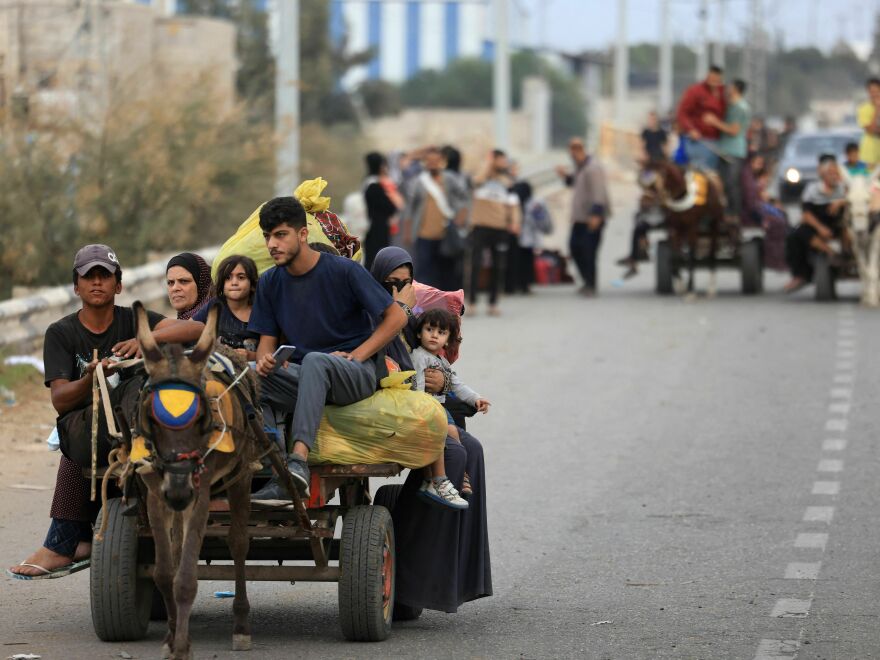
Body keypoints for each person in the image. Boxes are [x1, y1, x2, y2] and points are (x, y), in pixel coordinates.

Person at [8, 245, 204, 578]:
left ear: (118, 285)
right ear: (76, 286)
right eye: (89, 277)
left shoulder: (133, 319)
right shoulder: (61, 333)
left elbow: (196, 330)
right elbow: (60, 400)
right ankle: (62, 543)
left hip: (137, 424)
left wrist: (145, 340)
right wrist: (90, 378)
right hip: (87, 427)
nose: (97, 283)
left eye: (105, 276)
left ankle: (74, 539)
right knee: (82, 438)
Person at [246, 196, 408, 500]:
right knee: (248, 376)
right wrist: (266, 360)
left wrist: (359, 354)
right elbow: (266, 343)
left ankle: (298, 462)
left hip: (355, 374)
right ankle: (275, 469)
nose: (272, 244)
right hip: (306, 377)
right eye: (267, 237)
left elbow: (396, 316)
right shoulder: (269, 282)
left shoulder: (344, 271)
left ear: (302, 234)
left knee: (316, 362)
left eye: (280, 235)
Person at [369, 246, 492, 614]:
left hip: (420, 407)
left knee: (473, 450)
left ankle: (455, 579)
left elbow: (435, 375)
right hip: (383, 408)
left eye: (404, 283)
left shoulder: (412, 322)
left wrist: (448, 392)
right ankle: (410, 579)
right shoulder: (370, 312)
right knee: (453, 453)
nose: (396, 290)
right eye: (389, 283)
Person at [412, 308, 490, 503]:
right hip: (426, 407)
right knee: (450, 434)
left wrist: (475, 398)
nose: (434, 335)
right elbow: (418, 384)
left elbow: (457, 385)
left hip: (438, 407)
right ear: (419, 333)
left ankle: (435, 480)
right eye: (430, 329)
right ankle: (442, 479)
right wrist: (422, 407)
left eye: (441, 332)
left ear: (447, 340)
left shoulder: (442, 361)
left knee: (454, 435)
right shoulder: (418, 356)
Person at [401, 147, 470, 291]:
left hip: (446, 235)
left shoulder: (449, 179)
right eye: (429, 161)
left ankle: (449, 306)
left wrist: (461, 218)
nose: (433, 164)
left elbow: (464, 197)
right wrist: (407, 232)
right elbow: (409, 209)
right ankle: (426, 307)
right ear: (425, 163)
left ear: (442, 162)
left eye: (436, 161)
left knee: (448, 273)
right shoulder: (418, 182)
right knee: (425, 273)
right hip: (423, 234)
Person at [556, 138, 611, 296]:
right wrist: (564, 176)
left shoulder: (593, 168)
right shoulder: (581, 167)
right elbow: (574, 182)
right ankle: (587, 280)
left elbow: (599, 192)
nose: (573, 152)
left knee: (589, 251)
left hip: (592, 217)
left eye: (577, 148)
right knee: (575, 248)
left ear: (582, 149)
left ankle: (591, 284)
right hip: (580, 218)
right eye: (571, 149)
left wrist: (596, 214)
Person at [784, 157, 847, 293]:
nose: (834, 176)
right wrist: (820, 228)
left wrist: (841, 202)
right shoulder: (812, 189)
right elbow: (806, 214)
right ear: (823, 175)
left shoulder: (844, 189)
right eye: (831, 173)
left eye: (836, 173)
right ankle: (802, 274)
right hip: (817, 225)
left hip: (839, 225)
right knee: (794, 236)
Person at [469, 149, 520, 315]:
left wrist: (514, 222)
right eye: (501, 160)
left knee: (498, 266)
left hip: (499, 228)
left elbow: (513, 204)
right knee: (475, 264)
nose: (504, 164)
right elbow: (475, 182)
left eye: (505, 161)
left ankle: (493, 303)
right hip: (480, 227)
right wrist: (488, 164)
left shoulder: (507, 181)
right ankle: (472, 302)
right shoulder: (481, 176)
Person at [192, 255, 260, 361]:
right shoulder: (215, 305)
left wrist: (251, 356)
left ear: (252, 284)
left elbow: (271, 353)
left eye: (241, 277)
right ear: (222, 284)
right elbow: (190, 326)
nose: (234, 282)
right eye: (228, 278)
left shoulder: (261, 310)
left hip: (251, 370)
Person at [704, 79, 751, 224]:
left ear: (736, 89)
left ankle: (734, 214)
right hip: (724, 151)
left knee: (732, 183)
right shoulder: (730, 106)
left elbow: (734, 130)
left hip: (734, 151)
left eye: (730, 86)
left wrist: (713, 122)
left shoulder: (739, 107)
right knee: (720, 182)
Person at [676, 65, 726, 170]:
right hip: (699, 141)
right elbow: (682, 113)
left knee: (712, 175)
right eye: (712, 78)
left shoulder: (722, 93)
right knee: (700, 172)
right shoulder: (695, 91)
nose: (714, 82)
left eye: (717, 80)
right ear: (708, 76)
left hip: (716, 142)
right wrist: (691, 129)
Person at [362, 151, 403, 270]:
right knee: (377, 261)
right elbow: (391, 207)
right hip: (377, 228)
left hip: (370, 226)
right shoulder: (375, 185)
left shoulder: (366, 183)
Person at [166, 252, 212, 320]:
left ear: (201, 285)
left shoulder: (213, 319)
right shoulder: (182, 321)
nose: (175, 288)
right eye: (170, 282)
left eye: (184, 281)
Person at [858, 78, 880, 169]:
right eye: (871, 91)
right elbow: (870, 130)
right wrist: (877, 109)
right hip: (869, 154)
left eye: (876, 91)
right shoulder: (863, 108)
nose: (874, 94)